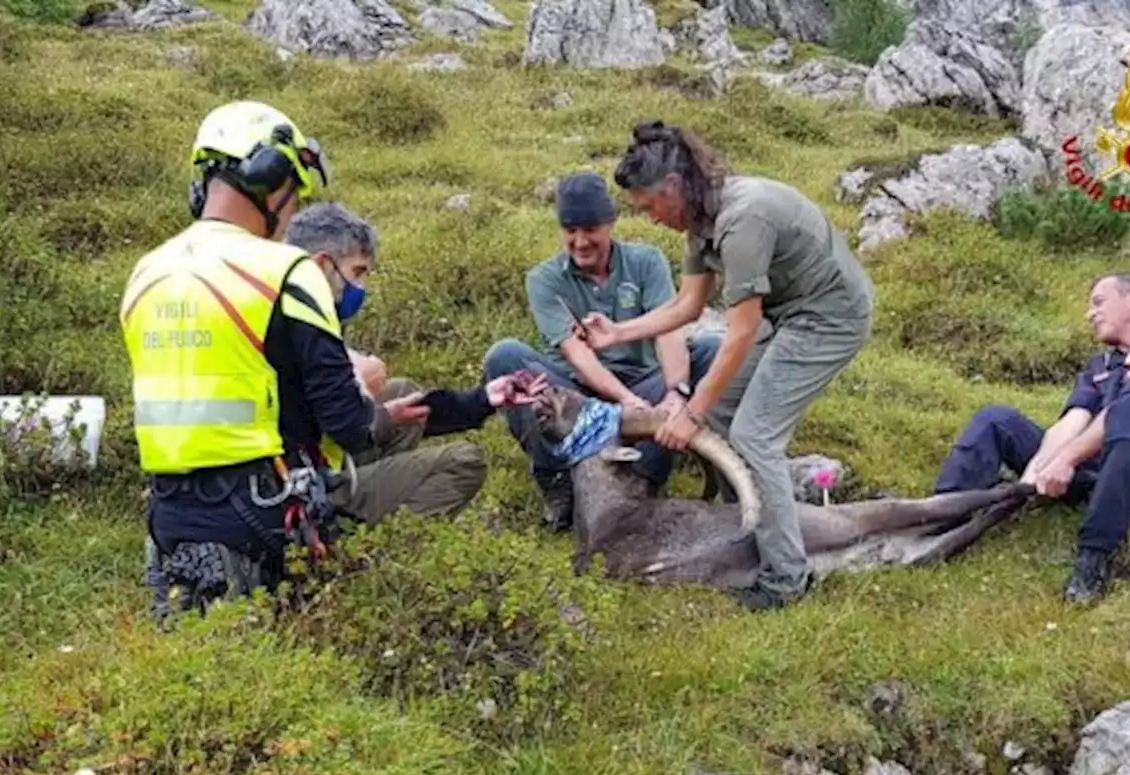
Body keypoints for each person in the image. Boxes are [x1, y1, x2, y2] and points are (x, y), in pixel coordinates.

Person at [120, 101, 542, 616]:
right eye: (294, 196)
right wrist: (372, 406)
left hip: (169, 518)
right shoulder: (286, 269)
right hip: (265, 511)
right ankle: (353, 583)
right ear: (271, 179)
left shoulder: (147, 272)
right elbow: (348, 425)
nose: (293, 212)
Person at [578, 121, 875, 611]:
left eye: (649, 205)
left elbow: (739, 332)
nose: (649, 217)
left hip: (829, 319)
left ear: (672, 187)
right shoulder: (699, 222)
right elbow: (687, 307)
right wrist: (617, 332)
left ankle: (785, 578)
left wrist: (690, 411)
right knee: (723, 414)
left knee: (757, 434)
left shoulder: (742, 221)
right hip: (787, 315)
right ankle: (745, 520)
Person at [932, 272, 1130, 604]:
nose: (1090, 314)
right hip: (1099, 471)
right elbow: (1073, 421)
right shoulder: (1101, 365)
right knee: (996, 419)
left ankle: (1093, 558)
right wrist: (1037, 475)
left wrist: (1067, 460)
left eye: (1099, 302)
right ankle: (939, 515)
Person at [482, 171, 723, 530]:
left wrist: (675, 391)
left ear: (611, 224)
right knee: (505, 358)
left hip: (646, 382)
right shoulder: (544, 279)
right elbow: (577, 354)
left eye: (590, 229)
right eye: (570, 230)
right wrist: (625, 401)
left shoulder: (647, 261)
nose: (580, 241)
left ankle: (645, 473)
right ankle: (556, 478)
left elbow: (669, 331)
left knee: (710, 350)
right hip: (577, 394)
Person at [285, 200, 545, 526]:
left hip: (311, 459)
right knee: (465, 460)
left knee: (401, 392)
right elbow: (351, 427)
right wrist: (371, 396)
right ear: (322, 266)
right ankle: (363, 544)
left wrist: (481, 400)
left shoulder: (279, 304)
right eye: (357, 272)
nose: (360, 287)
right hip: (304, 483)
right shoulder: (307, 325)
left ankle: (372, 504)